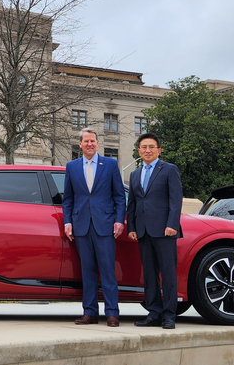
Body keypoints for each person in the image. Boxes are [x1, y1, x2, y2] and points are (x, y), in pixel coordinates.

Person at [62, 127, 126, 327]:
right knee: (87, 271)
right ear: (79, 144)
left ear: (98, 143)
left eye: (93, 141)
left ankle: (112, 313)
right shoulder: (71, 166)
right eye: (86, 141)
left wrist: (119, 220)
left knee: (108, 271)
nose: (89, 144)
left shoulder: (110, 164)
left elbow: (119, 196)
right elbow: (68, 199)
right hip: (81, 226)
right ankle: (89, 312)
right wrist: (67, 222)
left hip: (105, 225)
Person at [127, 133, 183, 330]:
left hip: (165, 231)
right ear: (139, 151)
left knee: (168, 274)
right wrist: (131, 227)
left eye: (151, 147)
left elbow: (176, 200)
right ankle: (154, 314)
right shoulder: (135, 175)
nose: (147, 150)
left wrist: (172, 224)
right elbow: (132, 203)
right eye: (143, 147)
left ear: (159, 150)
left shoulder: (169, 169)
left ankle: (169, 315)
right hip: (143, 231)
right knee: (149, 275)